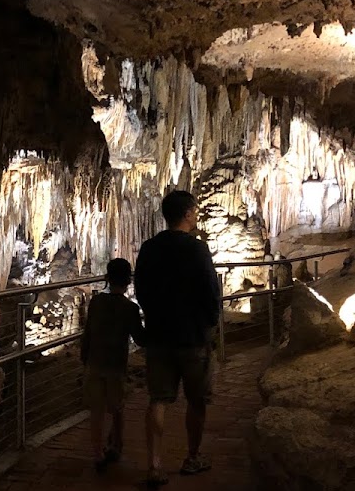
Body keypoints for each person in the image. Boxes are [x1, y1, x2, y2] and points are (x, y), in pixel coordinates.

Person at [134, 190, 221, 487]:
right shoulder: (197, 249)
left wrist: (153, 317)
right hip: (192, 336)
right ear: (187, 214)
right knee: (196, 401)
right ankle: (192, 457)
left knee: (158, 399)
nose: (196, 215)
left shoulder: (149, 248)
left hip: (159, 336)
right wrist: (210, 324)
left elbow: (141, 289)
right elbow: (211, 291)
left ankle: (155, 465)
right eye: (194, 211)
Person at [80, 257, 144, 472]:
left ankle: (98, 453)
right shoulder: (130, 308)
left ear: (107, 278)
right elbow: (140, 338)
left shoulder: (96, 302)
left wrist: (84, 357)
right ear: (128, 281)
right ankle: (116, 445)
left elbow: (87, 333)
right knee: (117, 407)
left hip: (95, 363)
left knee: (96, 410)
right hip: (116, 365)